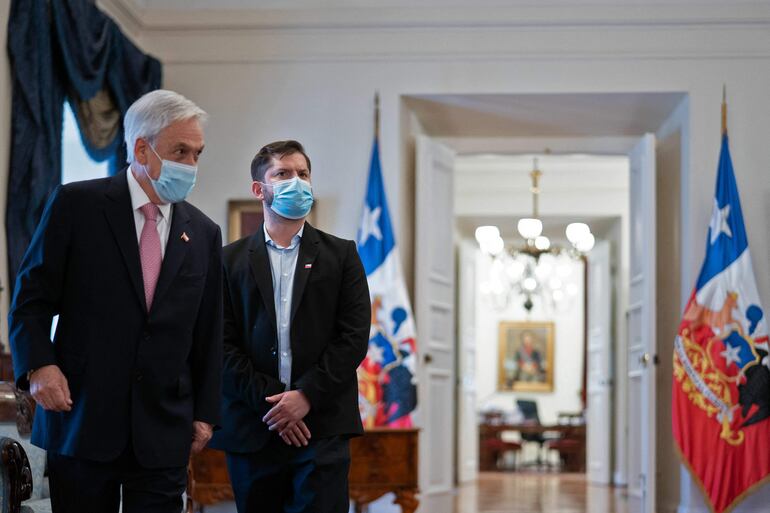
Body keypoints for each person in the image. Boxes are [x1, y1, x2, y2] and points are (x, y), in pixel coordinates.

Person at [8, 90, 223, 513]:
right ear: (141, 149)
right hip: (83, 417)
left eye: (197, 154)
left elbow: (209, 332)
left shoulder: (203, 233)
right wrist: (39, 365)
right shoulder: (76, 205)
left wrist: (206, 413)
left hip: (164, 426)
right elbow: (31, 298)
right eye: (180, 151)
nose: (191, 165)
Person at [208, 140, 370, 513]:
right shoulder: (227, 261)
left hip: (321, 425)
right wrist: (276, 404)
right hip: (253, 424)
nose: (296, 181)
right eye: (282, 174)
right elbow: (219, 343)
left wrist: (306, 396)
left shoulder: (341, 255)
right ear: (259, 189)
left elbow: (353, 337)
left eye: (303, 173)